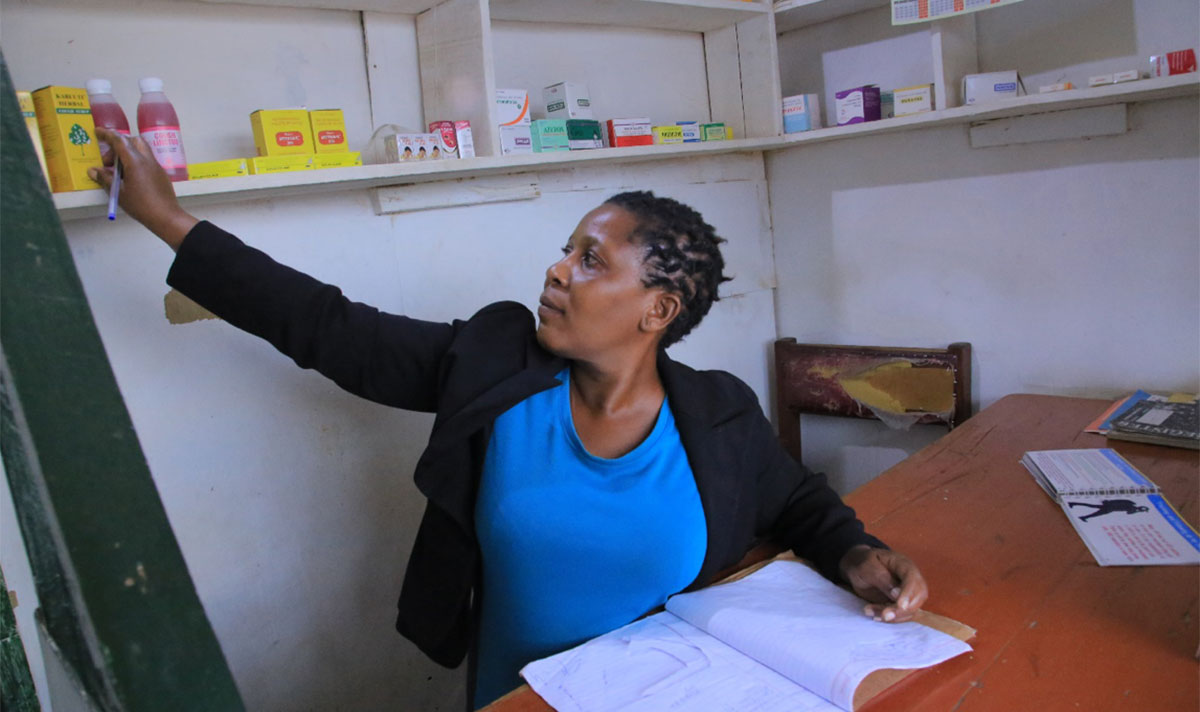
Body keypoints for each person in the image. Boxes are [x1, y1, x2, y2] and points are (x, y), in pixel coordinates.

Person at [89, 128, 929, 709]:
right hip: (513, 698)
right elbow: (326, 327)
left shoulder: (716, 415)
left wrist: (858, 552)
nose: (558, 270)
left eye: (590, 261)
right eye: (568, 249)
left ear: (657, 309)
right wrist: (169, 219)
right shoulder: (493, 366)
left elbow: (797, 503)